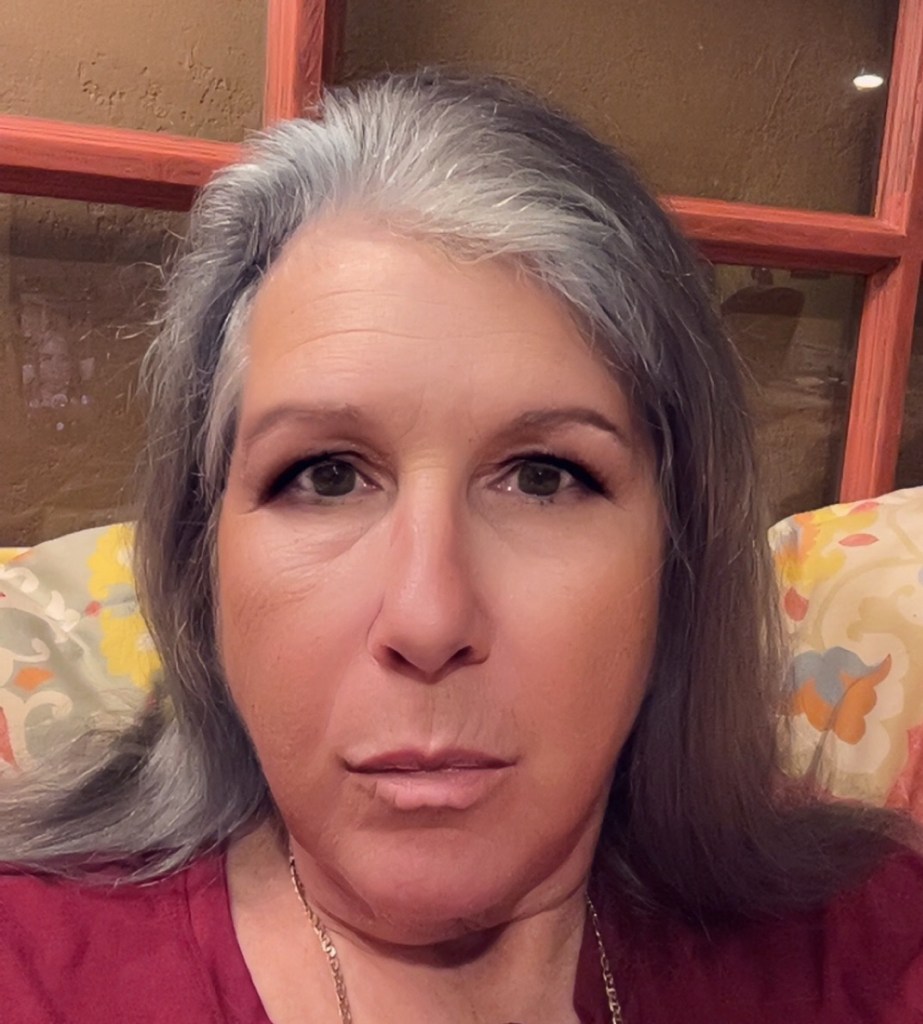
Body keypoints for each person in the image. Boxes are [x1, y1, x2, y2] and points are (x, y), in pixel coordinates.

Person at [1, 70, 922, 1024]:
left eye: (543, 477)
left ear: (677, 557)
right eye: (326, 475)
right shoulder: (30, 972)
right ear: (205, 569)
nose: (428, 617)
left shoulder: (874, 947)